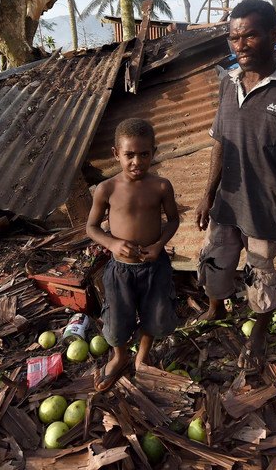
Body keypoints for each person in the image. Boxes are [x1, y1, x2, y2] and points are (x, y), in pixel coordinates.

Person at [195, 0, 276, 372]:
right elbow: (220, 142)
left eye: (250, 36)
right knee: (214, 266)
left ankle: (259, 334)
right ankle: (215, 307)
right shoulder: (227, 82)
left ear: (274, 35)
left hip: (269, 209)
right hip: (227, 204)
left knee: (263, 281)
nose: (241, 46)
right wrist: (206, 194)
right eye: (234, 38)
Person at [85, 118, 180, 391]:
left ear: (154, 151)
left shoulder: (162, 186)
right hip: (120, 270)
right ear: (117, 154)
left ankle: (142, 354)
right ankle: (120, 356)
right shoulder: (107, 189)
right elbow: (91, 227)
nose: (136, 161)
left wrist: (160, 244)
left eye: (144, 154)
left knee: (157, 315)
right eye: (129, 155)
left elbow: (172, 221)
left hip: (154, 266)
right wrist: (113, 244)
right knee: (116, 322)